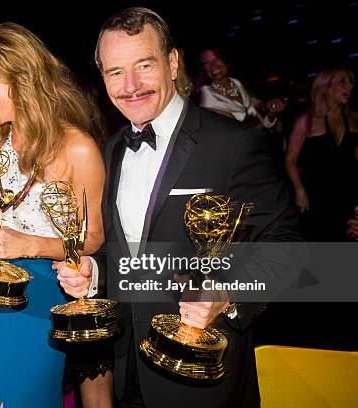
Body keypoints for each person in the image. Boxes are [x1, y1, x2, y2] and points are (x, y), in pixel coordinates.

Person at [55, 7, 301, 407]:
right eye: (115, 72)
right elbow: (120, 251)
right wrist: (93, 271)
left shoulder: (232, 143)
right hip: (127, 367)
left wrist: (227, 293)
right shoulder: (111, 149)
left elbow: (288, 245)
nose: (130, 85)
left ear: (172, 64)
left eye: (144, 65)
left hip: (201, 377)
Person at [0, 22, 107, 408]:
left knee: (22, 396)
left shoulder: (77, 148)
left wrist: (30, 244)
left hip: (35, 296)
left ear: (19, 78)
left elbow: (93, 237)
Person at [285, 67, 357, 241]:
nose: (350, 87)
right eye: (343, 82)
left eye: (351, 82)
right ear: (325, 87)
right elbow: (290, 159)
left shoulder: (355, 118)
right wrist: (299, 189)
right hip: (316, 197)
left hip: (348, 195)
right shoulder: (306, 120)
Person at [199, 48, 286, 130]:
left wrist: (272, 112)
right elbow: (239, 131)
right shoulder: (207, 95)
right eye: (206, 62)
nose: (213, 65)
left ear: (226, 60)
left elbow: (265, 124)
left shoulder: (237, 83)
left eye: (217, 58)